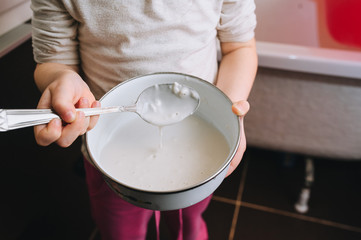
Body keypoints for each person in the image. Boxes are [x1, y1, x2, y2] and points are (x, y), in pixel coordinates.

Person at [31, 0, 257, 239]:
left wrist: (229, 111)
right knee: (120, 231)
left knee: (189, 223)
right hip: (108, 157)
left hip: (203, 151)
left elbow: (239, 46)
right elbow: (53, 60)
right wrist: (60, 77)